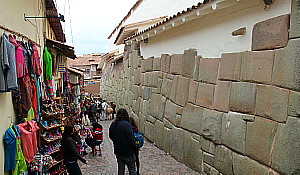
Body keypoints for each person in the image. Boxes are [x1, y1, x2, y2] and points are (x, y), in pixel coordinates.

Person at [109, 108, 137, 175]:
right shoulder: (127, 125)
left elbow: (110, 136)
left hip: (118, 151)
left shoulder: (113, 124)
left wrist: (117, 141)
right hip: (128, 151)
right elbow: (131, 139)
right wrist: (135, 147)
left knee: (121, 169)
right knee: (132, 168)